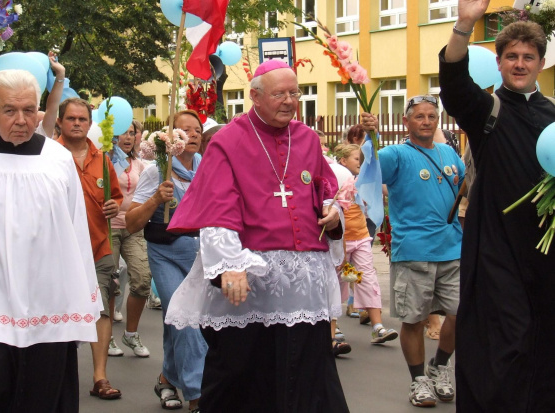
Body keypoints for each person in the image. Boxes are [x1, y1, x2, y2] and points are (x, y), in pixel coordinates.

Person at [164, 60, 350, 413]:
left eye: (295, 93)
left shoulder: (308, 138)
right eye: (280, 93)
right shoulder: (228, 141)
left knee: (305, 371)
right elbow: (218, 206)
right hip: (252, 277)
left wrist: (333, 213)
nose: (290, 101)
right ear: (255, 96)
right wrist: (230, 264)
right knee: (243, 374)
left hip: (301, 281)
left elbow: (327, 190)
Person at [0, 69, 101, 412]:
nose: (23, 120)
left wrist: (83, 300)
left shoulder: (57, 160)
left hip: (46, 307)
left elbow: (76, 234)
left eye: (30, 110)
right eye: (10, 110)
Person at [439, 1, 555, 410]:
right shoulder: (488, 109)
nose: (520, 64)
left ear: (541, 62)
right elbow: (453, 83)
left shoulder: (553, 116)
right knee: (508, 343)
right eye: (511, 57)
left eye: (528, 57)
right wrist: (464, 23)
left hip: (546, 251)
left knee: (545, 347)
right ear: (500, 64)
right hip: (498, 250)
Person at [361, 95, 464, 408]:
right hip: (413, 251)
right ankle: (418, 379)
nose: (426, 121)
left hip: (453, 249)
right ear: (406, 122)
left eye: (432, 116)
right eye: (419, 116)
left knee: (463, 314)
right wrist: (371, 135)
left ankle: (440, 365)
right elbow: (372, 164)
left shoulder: (448, 152)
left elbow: (463, 188)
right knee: (414, 320)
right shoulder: (396, 154)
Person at [126, 110, 207, 413]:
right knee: (185, 319)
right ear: (170, 139)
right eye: (184, 130)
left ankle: (166, 379)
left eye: (197, 129)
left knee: (179, 322)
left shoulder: (207, 169)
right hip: (166, 254)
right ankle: (198, 395)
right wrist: (156, 200)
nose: (193, 134)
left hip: (201, 257)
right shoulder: (156, 170)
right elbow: (132, 223)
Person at [56, 97, 124, 400]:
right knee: (60, 310)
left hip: (98, 246)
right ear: (59, 122)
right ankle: (56, 375)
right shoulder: (49, 155)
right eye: (71, 118)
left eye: (82, 119)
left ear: (89, 123)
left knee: (102, 308)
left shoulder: (102, 158)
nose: (77, 124)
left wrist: (114, 205)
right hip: (59, 250)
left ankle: (100, 378)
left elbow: (117, 196)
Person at [334, 143, 398, 345]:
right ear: (343, 161)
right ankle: (333, 329)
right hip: (339, 241)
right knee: (336, 283)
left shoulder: (363, 181)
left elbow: (383, 189)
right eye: (356, 159)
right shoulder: (335, 180)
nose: (360, 164)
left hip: (360, 237)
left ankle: (377, 327)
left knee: (367, 278)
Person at [110, 122, 152, 358]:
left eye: (131, 133)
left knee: (142, 278)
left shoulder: (140, 164)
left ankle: (131, 334)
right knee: (110, 283)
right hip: (109, 227)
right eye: (122, 133)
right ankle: (106, 338)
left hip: (133, 227)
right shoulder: (104, 160)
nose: (127, 137)